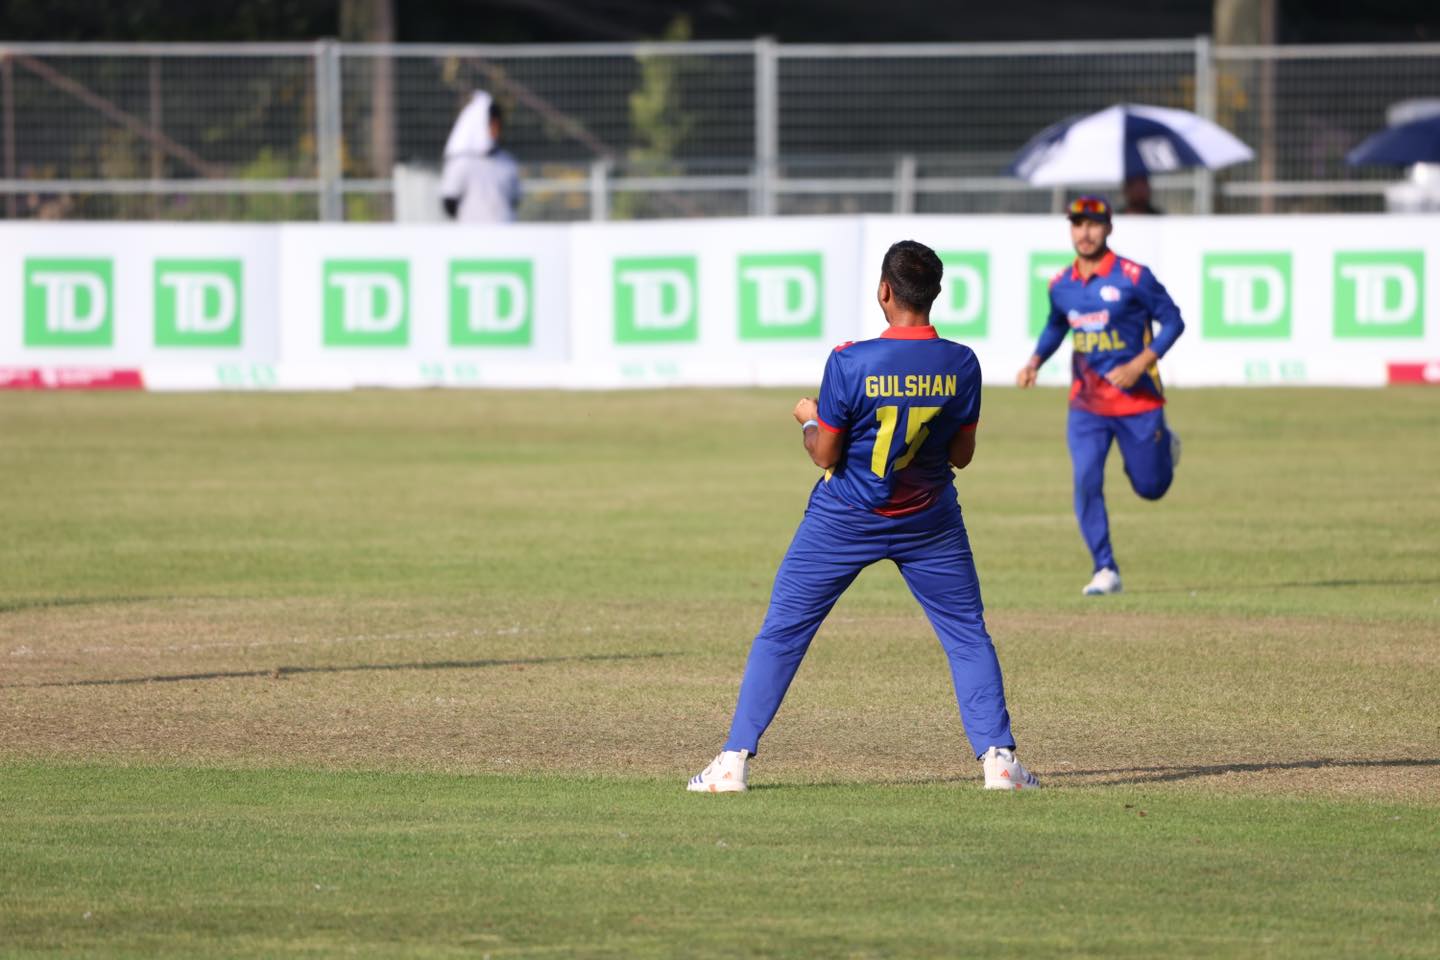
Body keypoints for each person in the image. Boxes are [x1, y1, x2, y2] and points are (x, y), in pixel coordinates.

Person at [688, 240, 1038, 794]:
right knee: (967, 635)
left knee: (783, 632)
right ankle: (999, 761)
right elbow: (962, 456)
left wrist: (807, 420)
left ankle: (733, 761)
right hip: (929, 520)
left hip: (845, 516)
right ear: (936, 293)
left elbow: (825, 454)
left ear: (884, 290)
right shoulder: (961, 362)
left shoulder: (850, 360)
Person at [1015, 195, 1184, 596]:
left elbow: (1174, 321)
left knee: (1151, 487)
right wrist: (1035, 360)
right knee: (1086, 479)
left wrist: (1141, 362)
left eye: (1093, 224)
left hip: (1138, 402)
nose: (1085, 232)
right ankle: (1105, 568)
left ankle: (1164, 446)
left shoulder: (1133, 276)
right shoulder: (1061, 285)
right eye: (1078, 224)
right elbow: (1057, 325)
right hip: (1087, 406)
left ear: (1108, 227)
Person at [440, 91, 520, 223]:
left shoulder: (507, 162)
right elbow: (450, 202)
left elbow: (515, 198)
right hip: (473, 239)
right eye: (492, 124)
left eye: (498, 124)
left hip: (505, 237)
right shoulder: (462, 163)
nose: (496, 129)